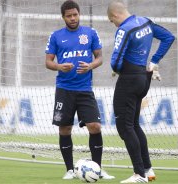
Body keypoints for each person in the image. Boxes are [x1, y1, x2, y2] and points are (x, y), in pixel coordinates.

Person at [45, 0, 114, 180]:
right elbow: (48, 62)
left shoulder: (90, 33)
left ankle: (97, 168)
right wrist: (59, 67)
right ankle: (69, 169)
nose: (73, 18)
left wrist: (90, 65)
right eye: (69, 16)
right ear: (63, 17)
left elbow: (99, 57)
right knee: (65, 129)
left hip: (85, 90)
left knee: (95, 126)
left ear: (79, 14)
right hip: (64, 90)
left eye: (75, 14)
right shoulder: (56, 36)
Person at [107, 1, 175, 183]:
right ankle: (148, 169)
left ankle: (139, 175)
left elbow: (115, 60)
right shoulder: (145, 22)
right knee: (134, 125)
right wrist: (154, 61)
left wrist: (116, 69)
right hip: (143, 78)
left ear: (114, 16)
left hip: (128, 79)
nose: (113, 24)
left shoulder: (124, 29)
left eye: (111, 21)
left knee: (125, 127)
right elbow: (169, 37)